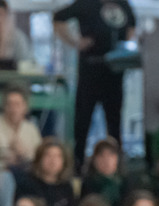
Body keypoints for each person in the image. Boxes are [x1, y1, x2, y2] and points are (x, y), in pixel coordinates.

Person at [53, 0, 137, 169]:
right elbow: (57, 18)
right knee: (82, 122)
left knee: (114, 123)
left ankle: (115, 166)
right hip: (90, 70)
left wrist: (123, 48)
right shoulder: (86, 4)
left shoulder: (123, 4)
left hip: (114, 72)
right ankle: (77, 165)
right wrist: (75, 42)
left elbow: (132, 26)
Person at [15, 138, 77, 206]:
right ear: (39, 159)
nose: (53, 161)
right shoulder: (27, 184)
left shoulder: (66, 186)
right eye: (48, 155)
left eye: (58, 156)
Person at [0, 84, 43, 177]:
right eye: (10, 104)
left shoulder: (31, 129)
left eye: (17, 104)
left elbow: (39, 159)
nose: (13, 109)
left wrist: (24, 153)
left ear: (25, 107)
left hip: (27, 176)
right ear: (4, 106)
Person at [80, 137, 124, 206]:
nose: (106, 160)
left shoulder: (125, 183)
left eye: (111, 155)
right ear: (94, 159)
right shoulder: (88, 184)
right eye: (101, 155)